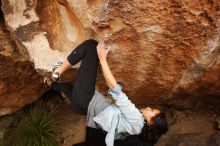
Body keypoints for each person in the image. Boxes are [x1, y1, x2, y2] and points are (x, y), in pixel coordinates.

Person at [44, 39, 168, 146]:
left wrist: (103, 59)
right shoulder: (138, 133)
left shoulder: (136, 118)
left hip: (86, 100)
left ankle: (58, 70)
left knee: (91, 45)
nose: (148, 108)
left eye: (151, 111)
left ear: (150, 121)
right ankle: (50, 83)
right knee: (66, 88)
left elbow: (114, 88)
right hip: (84, 110)